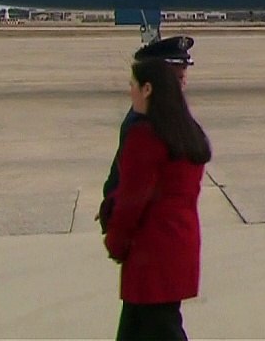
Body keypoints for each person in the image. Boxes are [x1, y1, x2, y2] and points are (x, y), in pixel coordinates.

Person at [104, 56, 212, 340]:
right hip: (180, 244)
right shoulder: (187, 132)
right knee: (136, 329)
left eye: (133, 85)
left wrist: (115, 242)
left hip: (150, 255)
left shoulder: (145, 136)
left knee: (162, 329)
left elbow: (131, 202)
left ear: (148, 89)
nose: (131, 91)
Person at [97, 36, 195, 232]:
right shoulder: (144, 124)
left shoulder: (170, 117)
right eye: (178, 77)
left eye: (183, 76)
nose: (184, 83)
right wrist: (111, 206)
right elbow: (127, 175)